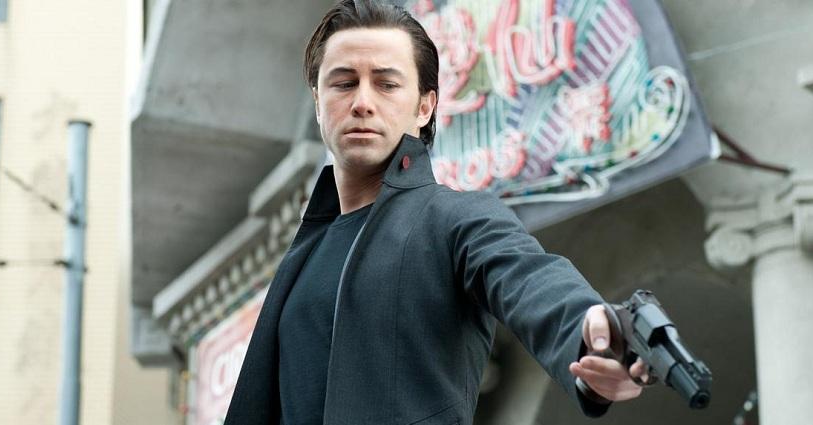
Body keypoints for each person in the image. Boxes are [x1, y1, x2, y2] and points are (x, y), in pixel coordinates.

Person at [225, 1, 646, 423]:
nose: (362, 102)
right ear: (319, 102)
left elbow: (528, 278)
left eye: (387, 84)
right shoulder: (304, 254)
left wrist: (592, 334)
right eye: (344, 83)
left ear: (424, 107)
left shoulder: (454, 219)